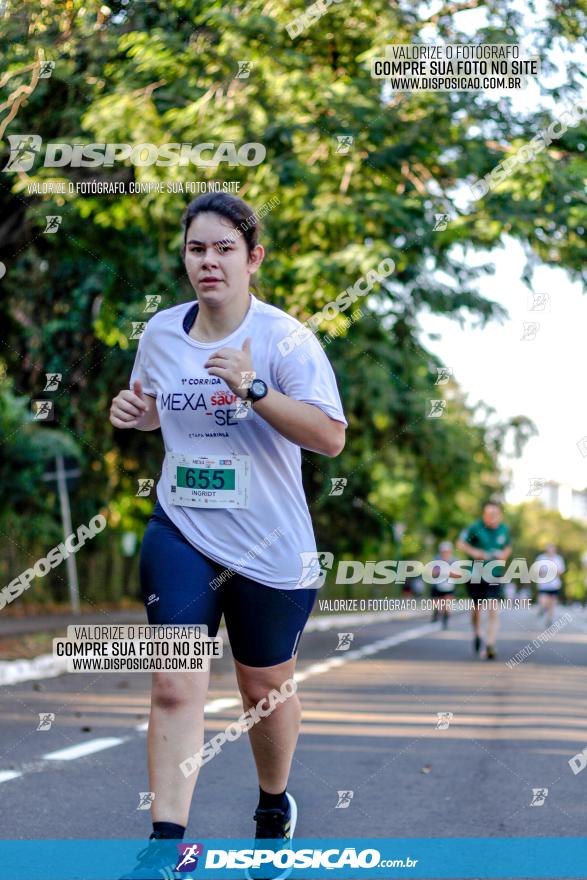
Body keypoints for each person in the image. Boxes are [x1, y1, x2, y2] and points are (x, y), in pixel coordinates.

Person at [109, 193, 347, 878]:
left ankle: (273, 803)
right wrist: (136, 413)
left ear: (252, 258)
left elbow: (329, 438)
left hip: (269, 546)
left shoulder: (285, 339)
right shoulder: (160, 333)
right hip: (181, 529)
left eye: (222, 249)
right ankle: (164, 845)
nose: (207, 261)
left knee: (261, 690)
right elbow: (154, 408)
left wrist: (253, 389)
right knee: (175, 685)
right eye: (195, 249)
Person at [456, 501, 512, 660]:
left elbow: (508, 547)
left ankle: (490, 644)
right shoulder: (474, 527)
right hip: (475, 574)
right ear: (484, 515)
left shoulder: (504, 529)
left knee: (494, 608)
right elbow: (460, 543)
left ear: (500, 515)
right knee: (477, 609)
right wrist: (475, 552)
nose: (492, 517)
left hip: (494, 574)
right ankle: (477, 633)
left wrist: (504, 555)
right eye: (489, 514)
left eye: (495, 514)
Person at [534, 544, 565, 626]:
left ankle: (549, 619)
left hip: (554, 585)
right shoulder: (541, 558)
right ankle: (543, 608)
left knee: (552, 603)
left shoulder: (558, 559)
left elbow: (561, 571)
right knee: (543, 600)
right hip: (543, 584)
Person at [430, 541, 457, 629]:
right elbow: (433, 572)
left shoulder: (454, 560)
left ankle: (445, 620)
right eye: (443, 552)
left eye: (447, 552)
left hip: (449, 586)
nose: (445, 554)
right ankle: (436, 613)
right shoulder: (436, 559)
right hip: (437, 585)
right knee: (435, 602)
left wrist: (448, 573)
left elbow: (458, 574)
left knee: (447, 605)